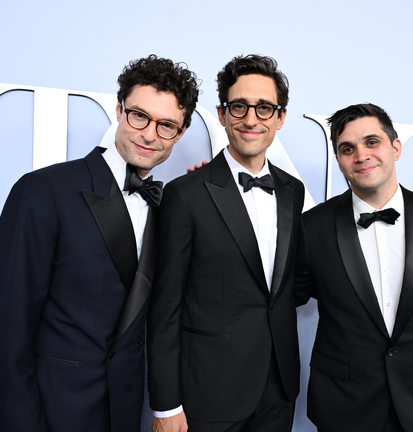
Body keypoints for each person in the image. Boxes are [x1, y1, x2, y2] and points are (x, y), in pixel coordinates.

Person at [0, 54, 200, 432]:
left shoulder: (172, 210)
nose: (149, 134)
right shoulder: (43, 190)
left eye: (167, 126)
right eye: (139, 116)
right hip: (45, 414)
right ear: (118, 110)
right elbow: (4, 336)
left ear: (180, 134)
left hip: (122, 415)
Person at [147, 54, 304, 432]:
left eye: (264, 108)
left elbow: (285, 285)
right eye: (239, 107)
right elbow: (165, 306)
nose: (251, 119)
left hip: (278, 389)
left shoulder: (292, 191)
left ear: (280, 118)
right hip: (208, 391)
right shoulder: (185, 194)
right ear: (222, 114)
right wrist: (165, 406)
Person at [294, 103, 413, 432]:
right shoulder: (311, 227)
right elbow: (278, 296)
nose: (361, 156)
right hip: (344, 405)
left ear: (396, 147)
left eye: (371, 142)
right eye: (347, 148)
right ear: (338, 160)